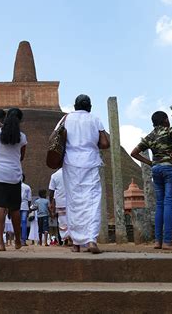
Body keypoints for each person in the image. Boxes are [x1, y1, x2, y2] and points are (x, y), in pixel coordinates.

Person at [131, 111, 172, 250]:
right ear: (165, 120)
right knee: (169, 203)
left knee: (160, 205)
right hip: (170, 168)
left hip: (156, 170)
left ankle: (158, 241)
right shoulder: (168, 131)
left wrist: (150, 163)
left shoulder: (149, 136)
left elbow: (134, 153)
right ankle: (167, 242)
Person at [62, 95, 109, 254]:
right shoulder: (95, 119)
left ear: (75, 106)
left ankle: (75, 243)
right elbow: (104, 143)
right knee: (92, 201)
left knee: (73, 200)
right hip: (90, 162)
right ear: (90, 106)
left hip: (71, 163)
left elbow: (53, 138)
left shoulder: (66, 119)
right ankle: (91, 241)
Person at [0, 108, 27, 251]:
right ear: (20, 121)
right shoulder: (22, 137)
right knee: (14, 208)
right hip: (14, 175)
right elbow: (21, 157)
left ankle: (0, 243)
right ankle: (17, 241)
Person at [49, 168, 69, 244]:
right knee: (71, 220)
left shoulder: (54, 176)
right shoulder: (71, 173)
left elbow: (51, 191)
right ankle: (72, 239)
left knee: (62, 221)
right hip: (71, 200)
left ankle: (65, 239)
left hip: (60, 201)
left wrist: (51, 202)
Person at [20, 174, 32, 246]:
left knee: (16, 223)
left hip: (16, 206)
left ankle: (18, 240)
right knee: (24, 223)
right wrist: (29, 208)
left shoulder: (14, 186)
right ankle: (23, 240)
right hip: (24, 206)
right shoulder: (27, 187)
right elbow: (29, 199)